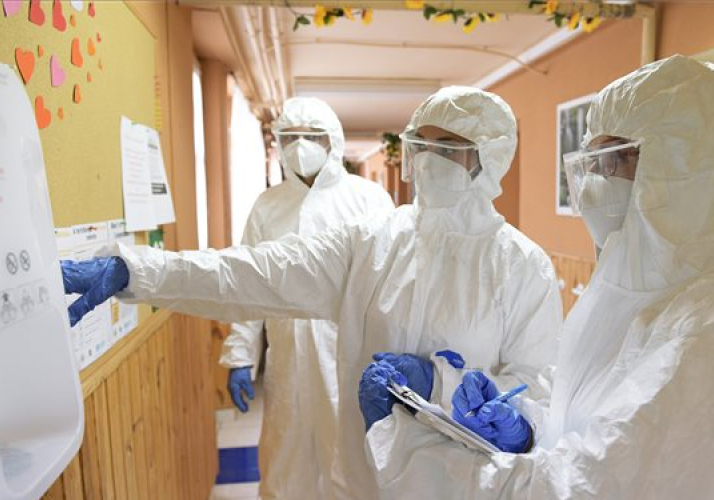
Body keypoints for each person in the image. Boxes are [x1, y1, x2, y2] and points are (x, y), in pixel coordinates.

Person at [61, 86, 563, 500]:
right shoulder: (373, 242)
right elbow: (255, 272)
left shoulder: (521, 267)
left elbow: (536, 387)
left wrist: (450, 388)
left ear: (489, 158)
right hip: (365, 480)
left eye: (448, 149)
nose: (431, 162)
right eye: (422, 146)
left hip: (462, 486)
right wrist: (137, 271)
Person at [359, 55, 714, 500]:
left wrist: (405, 448)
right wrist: (524, 427)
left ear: (682, 163)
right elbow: (579, 419)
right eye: (592, 164)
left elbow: (581, 487)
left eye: (613, 161)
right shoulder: (637, 295)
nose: (595, 184)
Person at [220, 97, 394, 500]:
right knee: (286, 463)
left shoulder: (368, 200)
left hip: (349, 354)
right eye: (291, 136)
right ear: (279, 143)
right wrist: (240, 355)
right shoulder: (268, 206)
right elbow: (248, 283)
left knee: (352, 462)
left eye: (312, 136)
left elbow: (391, 282)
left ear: (333, 139)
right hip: (290, 357)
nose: (301, 145)